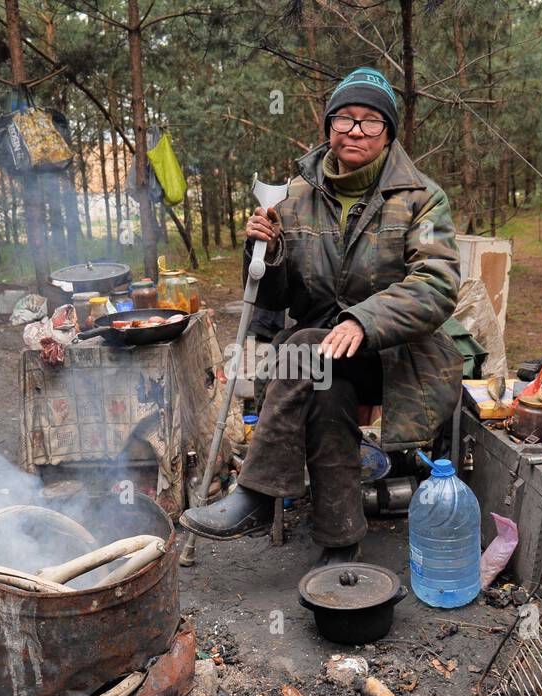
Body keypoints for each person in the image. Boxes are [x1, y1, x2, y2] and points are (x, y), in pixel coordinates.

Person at [180, 67, 463, 565]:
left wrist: (362, 321)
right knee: (321, 377)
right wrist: (262, 253)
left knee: (303, 350)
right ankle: (341, 542)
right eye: (345, 119)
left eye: (371, 121)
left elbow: (436, 286)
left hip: (397, 361)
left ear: (389, 133)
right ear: (328, 126)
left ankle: (259, 493)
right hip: (320, 356)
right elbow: (274, 296)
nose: (356, 130)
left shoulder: (421, 198)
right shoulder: (296, 197)